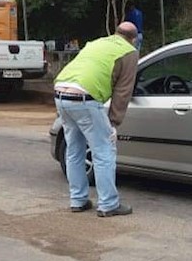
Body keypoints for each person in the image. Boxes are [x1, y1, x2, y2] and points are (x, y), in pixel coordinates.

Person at [53, 22, 139, 217]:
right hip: (85, 98)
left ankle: (78, 200)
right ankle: (108, 204)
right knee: (104, 151)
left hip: (61, 93)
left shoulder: (97, 42)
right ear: (134, 39)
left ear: (116, 33)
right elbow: (123, 91)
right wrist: (114, 122)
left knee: (74, 150)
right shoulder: (129, 52)